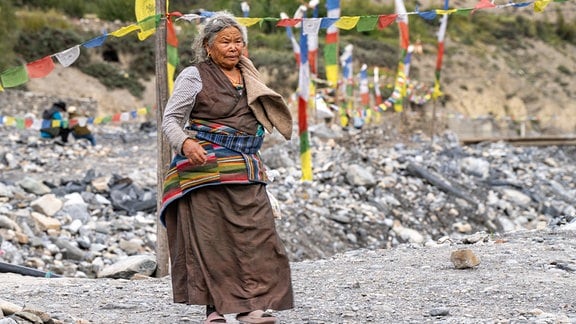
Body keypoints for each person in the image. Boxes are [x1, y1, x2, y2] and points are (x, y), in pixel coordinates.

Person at [159, 12, 294, 324]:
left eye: (238, 42)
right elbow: (170, 120)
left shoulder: (250, 75)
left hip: (246, 166)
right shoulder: (194, 76)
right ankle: (215, 310)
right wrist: (185, 144)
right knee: (213, 241)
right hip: (205, 169)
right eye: (226, 42)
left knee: (259, 236)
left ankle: (250, 308)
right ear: (208, 46)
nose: (234, 47)